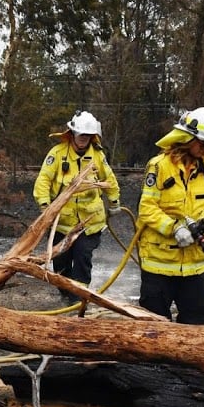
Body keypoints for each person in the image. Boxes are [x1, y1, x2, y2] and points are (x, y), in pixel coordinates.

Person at [136, 106, 204, 324]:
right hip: (158, 263)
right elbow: (147, 207)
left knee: (195, 325)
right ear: (187, 138)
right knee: (152, 328)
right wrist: (174, 228)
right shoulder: (158, 166)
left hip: (194, 266)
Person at [33, 110, 121, 299]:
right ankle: (66, 294)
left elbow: (110, 179)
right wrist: (45, 207)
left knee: (82, 257)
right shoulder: (57, 154)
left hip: (89, 224)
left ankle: (79, 298)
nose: (84, 139)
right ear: (72, 133)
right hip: (62, 223)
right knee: (61, 261)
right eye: (81, 135)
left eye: (88, 136)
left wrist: (114, 203)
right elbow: (43, 181)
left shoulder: (97, 156)